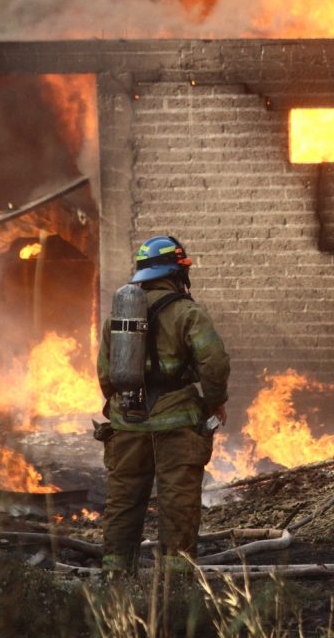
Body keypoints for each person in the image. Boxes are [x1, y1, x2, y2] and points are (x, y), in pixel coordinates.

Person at [96, 234, 230, 575]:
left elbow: (106, 373)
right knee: (178, 503)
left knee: (123, 503)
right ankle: (176, 581)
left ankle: (115, 578)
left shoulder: (118, 317)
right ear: (176, 271)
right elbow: (214, 362)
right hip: (177, 425)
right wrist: (215, 402)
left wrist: (122, 406)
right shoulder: (188, 313)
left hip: (127, 423)